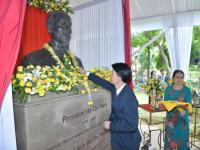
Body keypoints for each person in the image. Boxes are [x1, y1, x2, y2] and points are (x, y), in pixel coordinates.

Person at [80, 63, 141, 150]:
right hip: (119, 137)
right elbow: (103, 82)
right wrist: (87, 73)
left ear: (119, 77)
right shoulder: (117, 88)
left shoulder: (129, 98)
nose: (110, 74)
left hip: (127, 142)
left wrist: (111, 125)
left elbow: (132, 125)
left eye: (112, 73)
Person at [163, 70, 192, 149]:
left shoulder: (187, 90)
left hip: (183, 119)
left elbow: (188, 104)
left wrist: (176, 104)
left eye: (182, 77)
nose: (179, 79)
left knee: (182, 139)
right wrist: (175, 104)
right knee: (171, 139)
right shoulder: (168, 89)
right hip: (171, 119)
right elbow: (165, 103)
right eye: (177, 77)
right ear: (173, 78)